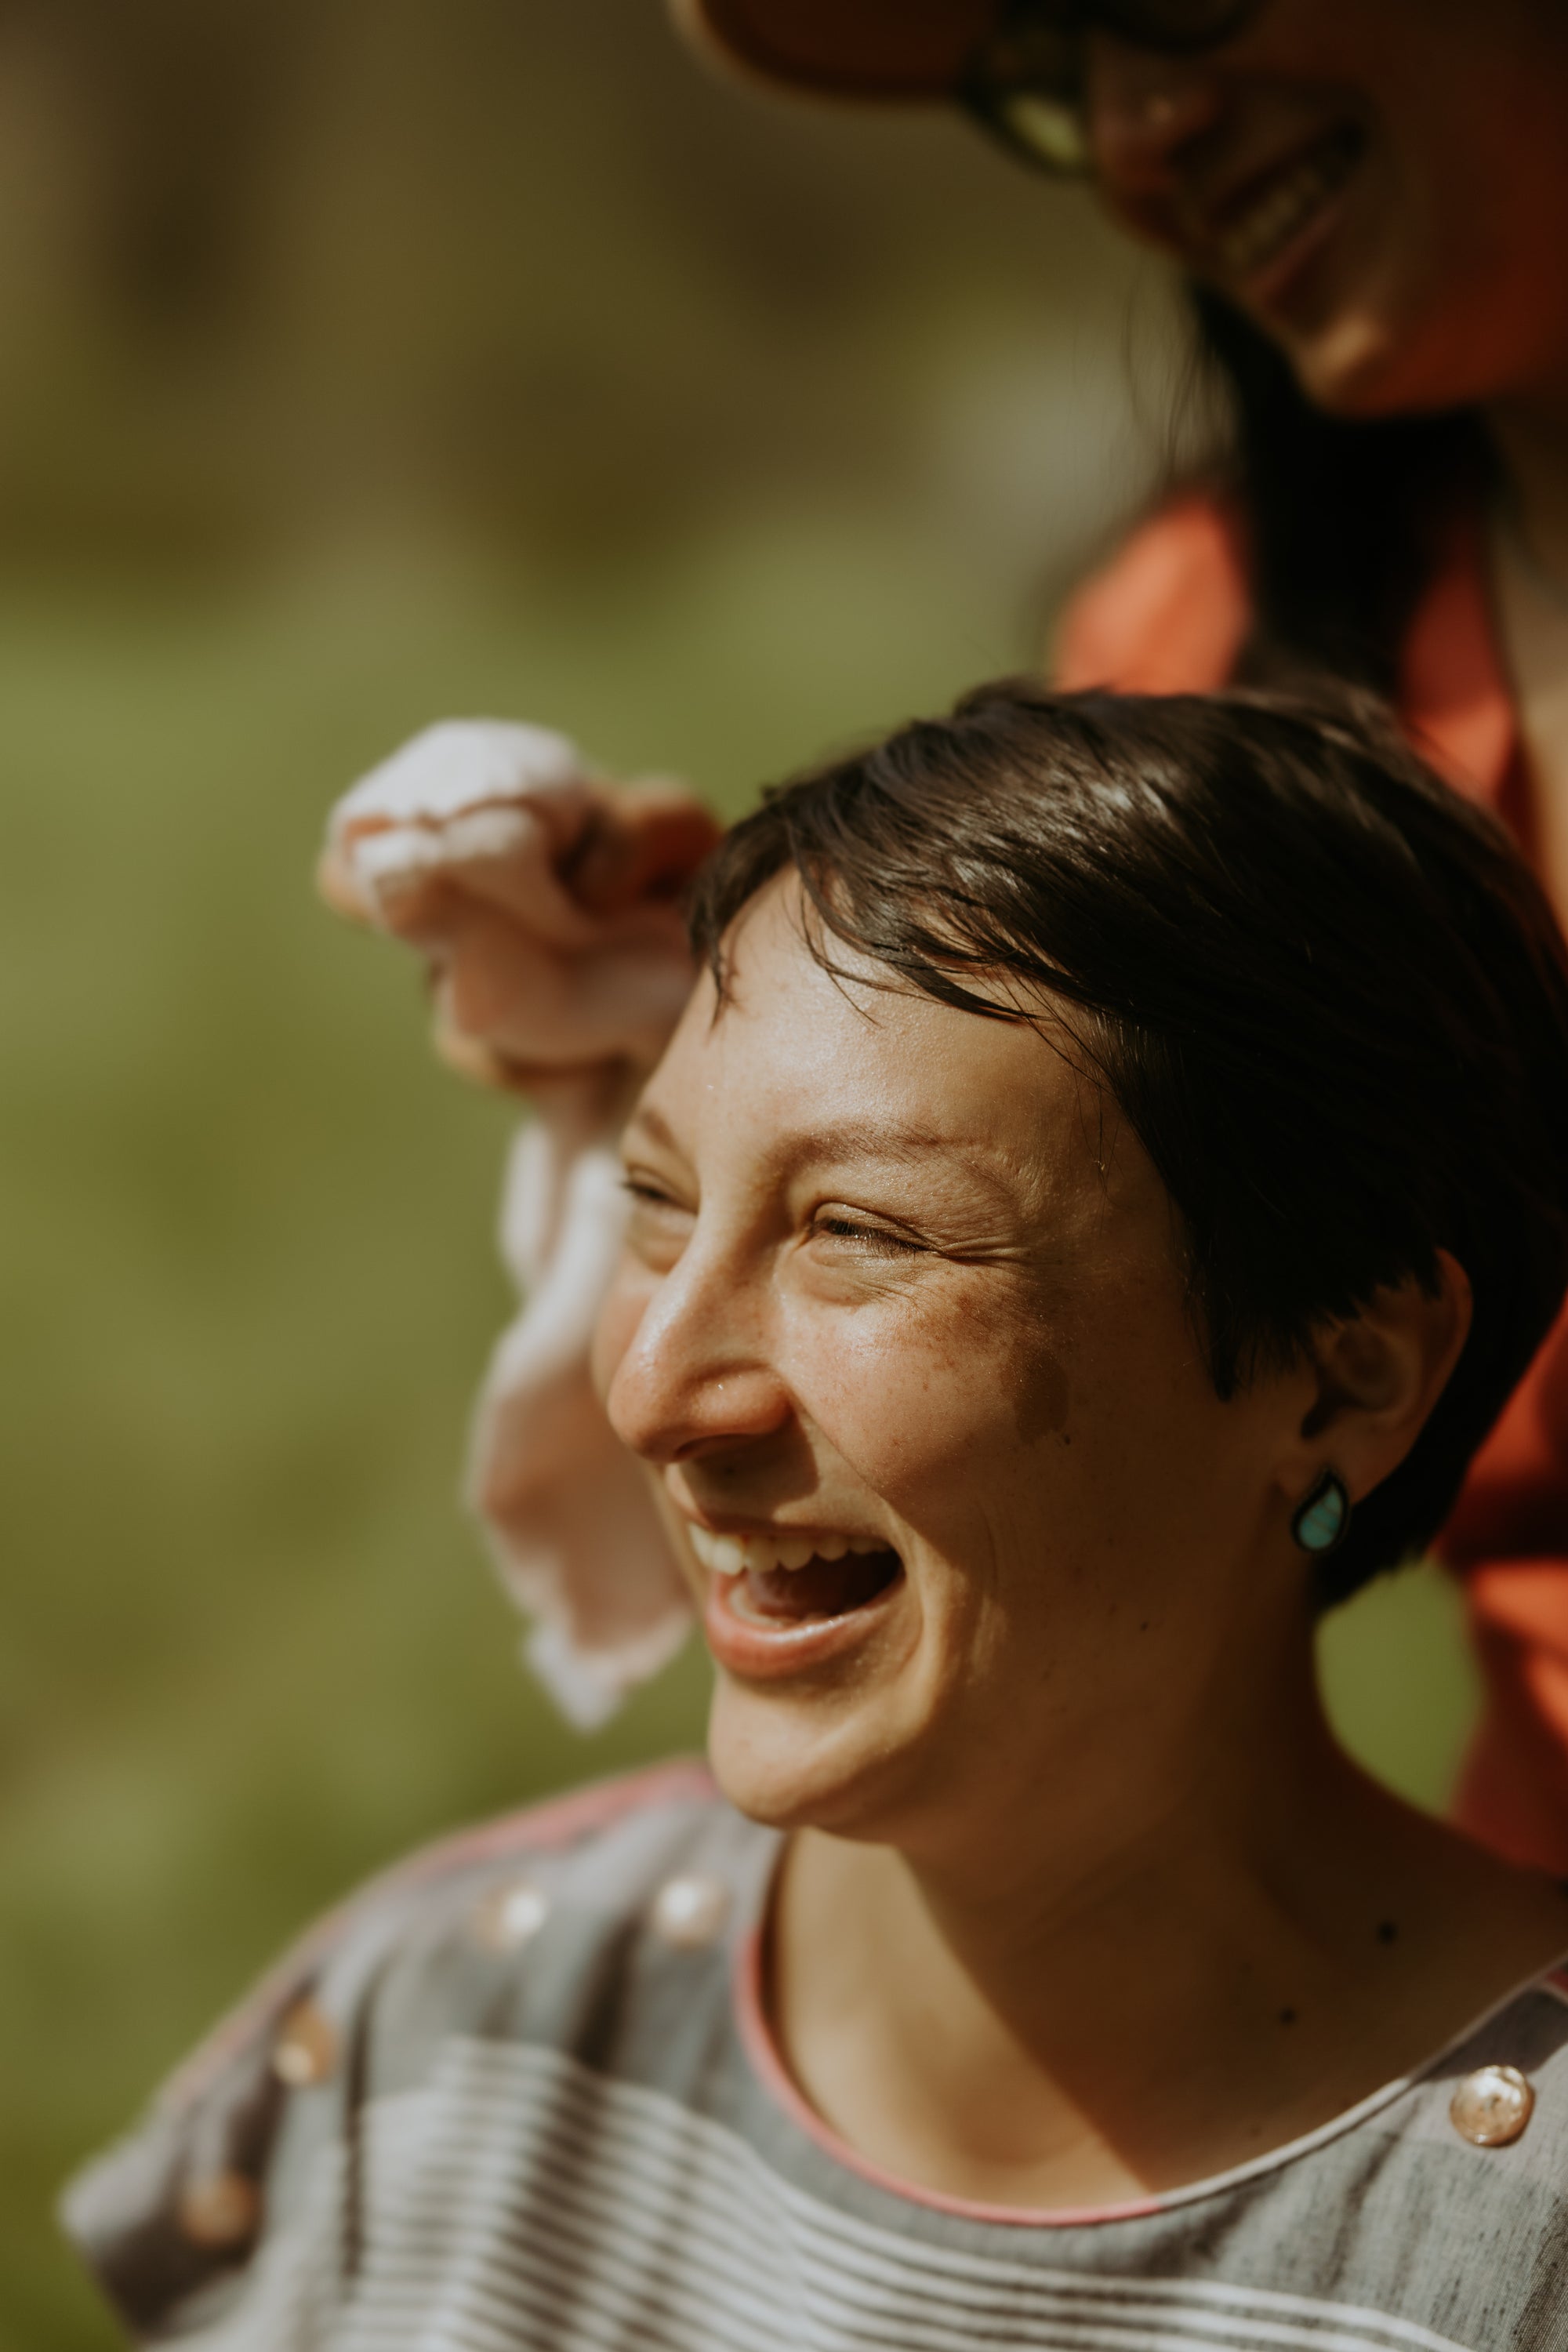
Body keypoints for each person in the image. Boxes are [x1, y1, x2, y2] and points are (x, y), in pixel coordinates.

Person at [69, 684, 1568, 2344]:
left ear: (1340, 1378)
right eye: (653, 1201)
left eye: (862, 1232)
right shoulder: (461, 2035)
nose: (649, 1390)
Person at [327, 0, 1568, 1865]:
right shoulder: (1210, 638)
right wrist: (808, 1075)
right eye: (1055, 75)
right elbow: (1146, 1382)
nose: (1139, 125)